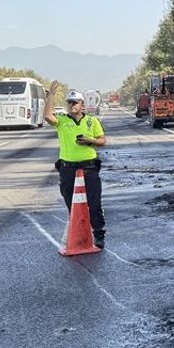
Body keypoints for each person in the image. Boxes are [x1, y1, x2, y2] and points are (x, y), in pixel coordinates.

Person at [43, 80, 108, 247]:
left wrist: (89, 140)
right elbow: (47, 116)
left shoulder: (92, 122)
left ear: (82, 104)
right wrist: (51, 95)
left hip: (89, 166)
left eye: (75, 102)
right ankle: (78, 233)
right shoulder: (62, 121)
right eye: (69, 102)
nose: (72, 105)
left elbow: (102, 141)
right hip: (67, 168)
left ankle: (99, 234)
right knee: (71, 202)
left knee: (94, 203)